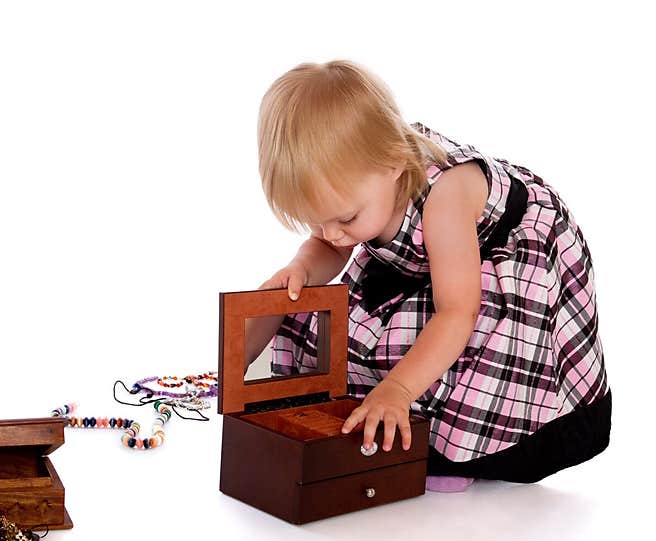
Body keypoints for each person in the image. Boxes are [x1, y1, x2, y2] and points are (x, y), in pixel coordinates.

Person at [246, 60, 610, 492]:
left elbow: (457, 312)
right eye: (316, 221)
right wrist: (303, 266)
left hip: (494, 269)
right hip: (429, 266)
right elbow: (328, 246)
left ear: (393, 165)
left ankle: (459, 447)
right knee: (347, 315)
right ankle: (382, 409)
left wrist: (399, 389)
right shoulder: (356, 194)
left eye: (344, 218)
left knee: (468, 341)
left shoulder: (445, 197)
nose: (331, 234)